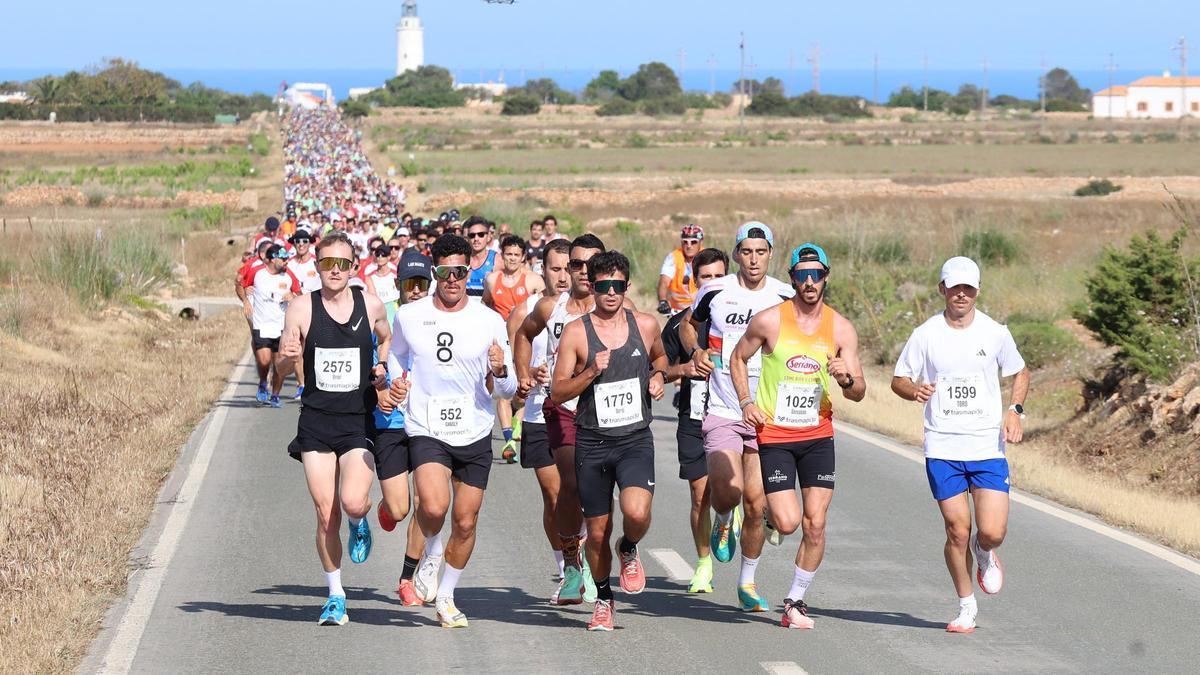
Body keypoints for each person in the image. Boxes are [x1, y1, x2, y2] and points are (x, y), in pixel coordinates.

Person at [891, 256, 1029, 634]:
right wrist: (913, 389)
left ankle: (985, 554)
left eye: (968, 288)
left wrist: (1014, 410)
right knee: (957, 530)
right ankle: (966, 606)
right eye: (955, 288)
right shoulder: (926, 334)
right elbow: (899, 378)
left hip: (986, 445)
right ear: (943, 290)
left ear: (977, 291)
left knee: (991, 531)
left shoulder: (994, 332)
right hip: (943, 445)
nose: (962, 294)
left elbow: (1019, 370)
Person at [733, 243, 866, 630]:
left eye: (817, 275)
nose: (809, 282)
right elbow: (737, 357)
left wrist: (846, 378)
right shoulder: (770, 320)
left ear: (826, 277)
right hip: (775, 433)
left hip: (818, 434)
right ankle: (771, 518)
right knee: (789, 522)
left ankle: (795, 601)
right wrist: (745, 401)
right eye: (802, 275)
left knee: (816, 523)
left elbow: (859, 391)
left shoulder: (840, 328)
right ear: (792, 278)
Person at [388, 234, 517, 629]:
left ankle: (446, 596)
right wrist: (397, 382)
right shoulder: (409, 316)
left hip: (474, 430)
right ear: (434, 273)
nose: (453, 280)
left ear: (469, 273)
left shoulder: (489, 320)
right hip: (427, 425)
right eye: (445, 273)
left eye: (461, 272)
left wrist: (499, 370)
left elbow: (509, 389)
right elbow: (396, 355)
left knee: (466, 521)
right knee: (434, 506)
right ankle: (430, 549)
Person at [279, 231, 392, 626]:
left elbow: (387, 338)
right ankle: (335, 595)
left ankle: (360, 523)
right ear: (317, 266)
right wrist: (285, 360)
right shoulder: (300, 309)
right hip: (316, 421)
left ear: (353, 267)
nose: (334, 270)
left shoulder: (371, 304)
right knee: (326, 512)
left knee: (352, 502)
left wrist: (383, 368)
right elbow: (280, 367)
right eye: (327, 263)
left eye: (342, 264)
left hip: (357, 420)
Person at [550, 251, 667, 631]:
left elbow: (661, 358)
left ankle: (629, 547)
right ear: (593, 287)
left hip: (634, 439)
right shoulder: (575, 332)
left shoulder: (645, 325)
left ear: (627, 287)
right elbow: (557, 393)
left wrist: (659, 377)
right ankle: (603, 598)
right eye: (604, 286)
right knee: (597, 532)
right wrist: (589, 372)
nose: (611, 293)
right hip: (593, 442)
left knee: (635, 512)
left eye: (618, 286)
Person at [680, 222, 793, 613]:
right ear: (737, 254)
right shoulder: (714, 290)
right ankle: (721, 517)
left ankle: (748, 581)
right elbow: (686, 325)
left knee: (756, 503)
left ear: (771, 253)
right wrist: (695, 351)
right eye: (747, 251)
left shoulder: (786, 295)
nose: (754, 259)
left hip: (767, 414)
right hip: (724, 407)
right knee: (726, 491)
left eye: (761, 251)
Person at [514, 234, 621, 606]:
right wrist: (524, 371)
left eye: (591, 264)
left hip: (605, 412)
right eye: (575, 264)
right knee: (562, 489)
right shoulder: (550, 308)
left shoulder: (616, 307)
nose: (582, 272)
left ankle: (591, 561)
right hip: (557, 409)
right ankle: (570, 565)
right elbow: (524, 334)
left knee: (595, 493)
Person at [661, 247, 728, 593]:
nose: (713, 283)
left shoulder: (745, 320)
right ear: (694, 281)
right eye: (706, 277)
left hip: (734, 415)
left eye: (719, 277)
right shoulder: (677, 327)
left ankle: (728, 515)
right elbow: (659, 372)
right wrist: (684, 369)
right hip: (693, 414)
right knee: (700, 493)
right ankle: (703, 564)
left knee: (737, 491)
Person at [505, 238, 572, 580]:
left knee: (578, 493)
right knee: (554, 495)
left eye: (568, 268)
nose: (562, 277)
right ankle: (565, 567)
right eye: (555, 269)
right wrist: (526, 374)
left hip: (578, 414)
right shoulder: (526, 310)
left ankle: (582, 557)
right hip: (537, 414)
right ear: (541, 269)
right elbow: (516, 360)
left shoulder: (586, 309)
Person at [375, 249, 433, 607]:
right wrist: (380, 392)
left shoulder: (440, 317)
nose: (415, 290)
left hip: (428, 422)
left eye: (422, 283)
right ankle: (383, 508)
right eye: (409, 284)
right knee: (399, 510)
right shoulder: (385, 319)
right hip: (392, 423)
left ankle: (407, 578)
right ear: (397, 285)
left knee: (425, 502)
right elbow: (371, 367)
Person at [484, 234, 547, 459]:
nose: (511, 258)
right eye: (508, 254)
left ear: (523, 258)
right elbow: (485, 305)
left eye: (516, 255)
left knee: (524, 384)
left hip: (525, 338)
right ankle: (509, 438)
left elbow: (546, 303)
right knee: (503, 390)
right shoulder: (492, 280)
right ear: (502, 255)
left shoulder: (533, 280)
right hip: (501, 339)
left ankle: (518, 421)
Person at [249, 245, 301, 407]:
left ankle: (275, 395)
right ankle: (263, 382)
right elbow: (240, 282)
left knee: (280, 364)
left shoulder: (288, 275)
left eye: (287, 258)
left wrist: (292, 295)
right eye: (283, 258)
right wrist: (245, 297)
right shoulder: (257, 273)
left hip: (281, 327)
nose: (287, 261)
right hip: (262, 324)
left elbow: (300, 294)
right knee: (264, 362)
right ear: (272, 259)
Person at [657, 224, 704, 315]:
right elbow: (664, 282)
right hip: (677, 311)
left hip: (701, 308)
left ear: (701, 242)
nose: (689, 246)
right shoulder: (673, 257)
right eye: (685, 242)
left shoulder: (707, 257)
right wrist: (663, 301)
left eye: (693, 242)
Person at [363, 244, 402, 323]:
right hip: (376, 311)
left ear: (389, 257)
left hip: (393, 310)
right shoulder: (369, 276)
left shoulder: (395, 275)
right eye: (378, 254)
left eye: (383, 254)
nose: (380, 257)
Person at [464, 216, 498, 301]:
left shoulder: (497, 259)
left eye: (481, 234)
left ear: (489, 236)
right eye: (472, 235)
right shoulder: (461, 259)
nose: (476, 239)